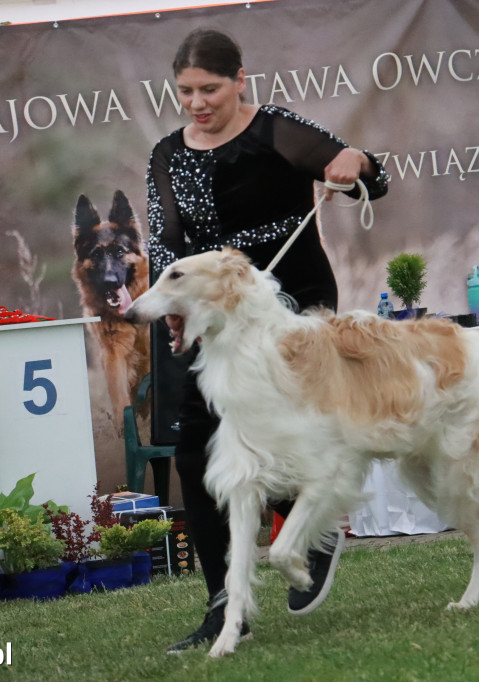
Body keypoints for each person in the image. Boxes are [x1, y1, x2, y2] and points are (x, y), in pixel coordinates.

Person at [143, 28, 389, 652]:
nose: (197, 103)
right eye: (186, 91)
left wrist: (354, 161)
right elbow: (167, 242)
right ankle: (226, 605)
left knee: (292, 431)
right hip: (212, 318)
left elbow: (367, 173)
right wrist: (174, 307)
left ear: (240, 79)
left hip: (292, 303)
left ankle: (310, 529)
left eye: (210, 89)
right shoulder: (167, 153)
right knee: (196, 452)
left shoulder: (274, 129)